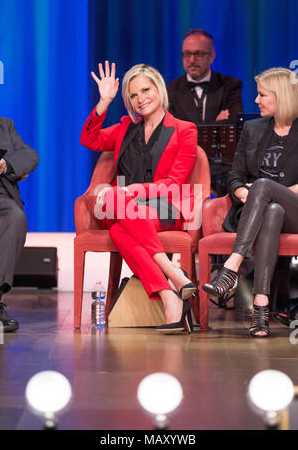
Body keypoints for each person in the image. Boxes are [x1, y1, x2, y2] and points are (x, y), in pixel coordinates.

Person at [80, 61, 198, 334]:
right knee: (115, 201)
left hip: (163, 209)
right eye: (133, 95)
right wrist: (104, 102)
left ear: (159, 89)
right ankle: (171, 274)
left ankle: (168, 295)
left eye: (145, 90)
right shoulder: (125, 128)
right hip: (122, 207)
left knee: (121, 226)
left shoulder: (184, 130)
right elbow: (89, 140)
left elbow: (174, 184)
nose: (140, 98)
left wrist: (129, 191)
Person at [202, 67, 298, 338]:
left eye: (262, 95)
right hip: (260, 211)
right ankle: (261, 309)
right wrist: (246, 194)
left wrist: (262, 190)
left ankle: (231, 267)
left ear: (282, 96)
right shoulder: (253, 128)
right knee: (272, 209)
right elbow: (235, 176)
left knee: (266, 188)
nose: (256, 101)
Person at [166, 29, 243, 196]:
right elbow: (171, 131)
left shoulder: (230, 85)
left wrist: (190, 129)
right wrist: (216, 124)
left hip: (221, 164)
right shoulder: (169, 90)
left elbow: (234, 125)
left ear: (212, 56)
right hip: (184, 162)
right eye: (187, 54)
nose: (191, 60)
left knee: (241, 187)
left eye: (198, 54)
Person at [0, 117, 39, 332]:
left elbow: (30, 155)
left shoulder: (4, 125)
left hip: (1, 197)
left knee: (15, 216)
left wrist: (6, 165)